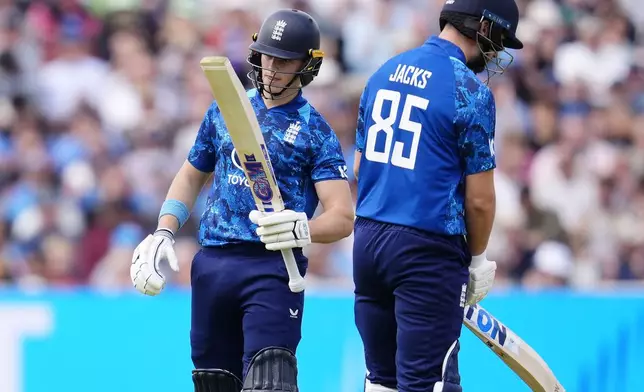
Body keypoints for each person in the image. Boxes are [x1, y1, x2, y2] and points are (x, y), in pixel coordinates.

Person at [129, 9, 354, 392]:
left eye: (284, 61)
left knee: (271, 381)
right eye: (267, 56)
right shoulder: (226, 110)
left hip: (272, 268)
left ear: (308, 66)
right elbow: (190, 174)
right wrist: (163, 232)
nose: (271, 68)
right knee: (214, 383)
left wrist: (302, 228)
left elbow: (342, 216)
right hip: (213, 264)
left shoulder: (315, 131)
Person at [351, 0, 524, 391]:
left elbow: (361, 167)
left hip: (367, 244)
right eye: (499, 38)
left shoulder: (383, 71)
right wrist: (477, 259)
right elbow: (480, 200)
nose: (498, 51)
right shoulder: (468, 90)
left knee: (381, 381)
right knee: (429, 382)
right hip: (426, 250)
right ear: (483, 26)